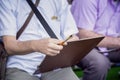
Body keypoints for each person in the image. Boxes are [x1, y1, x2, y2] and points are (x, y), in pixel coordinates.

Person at [0, 0, 80, 80]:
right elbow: (9, 46)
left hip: (56, 66)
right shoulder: (8, 2)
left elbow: (71, 36)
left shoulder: (59, 1)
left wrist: (71, 44)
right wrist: (35, 45)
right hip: (21, 66)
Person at [71, 0, 120, 80]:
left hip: (108, 44)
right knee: (100, 64)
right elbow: (84, 35)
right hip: (81, 44)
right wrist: (117, 42)